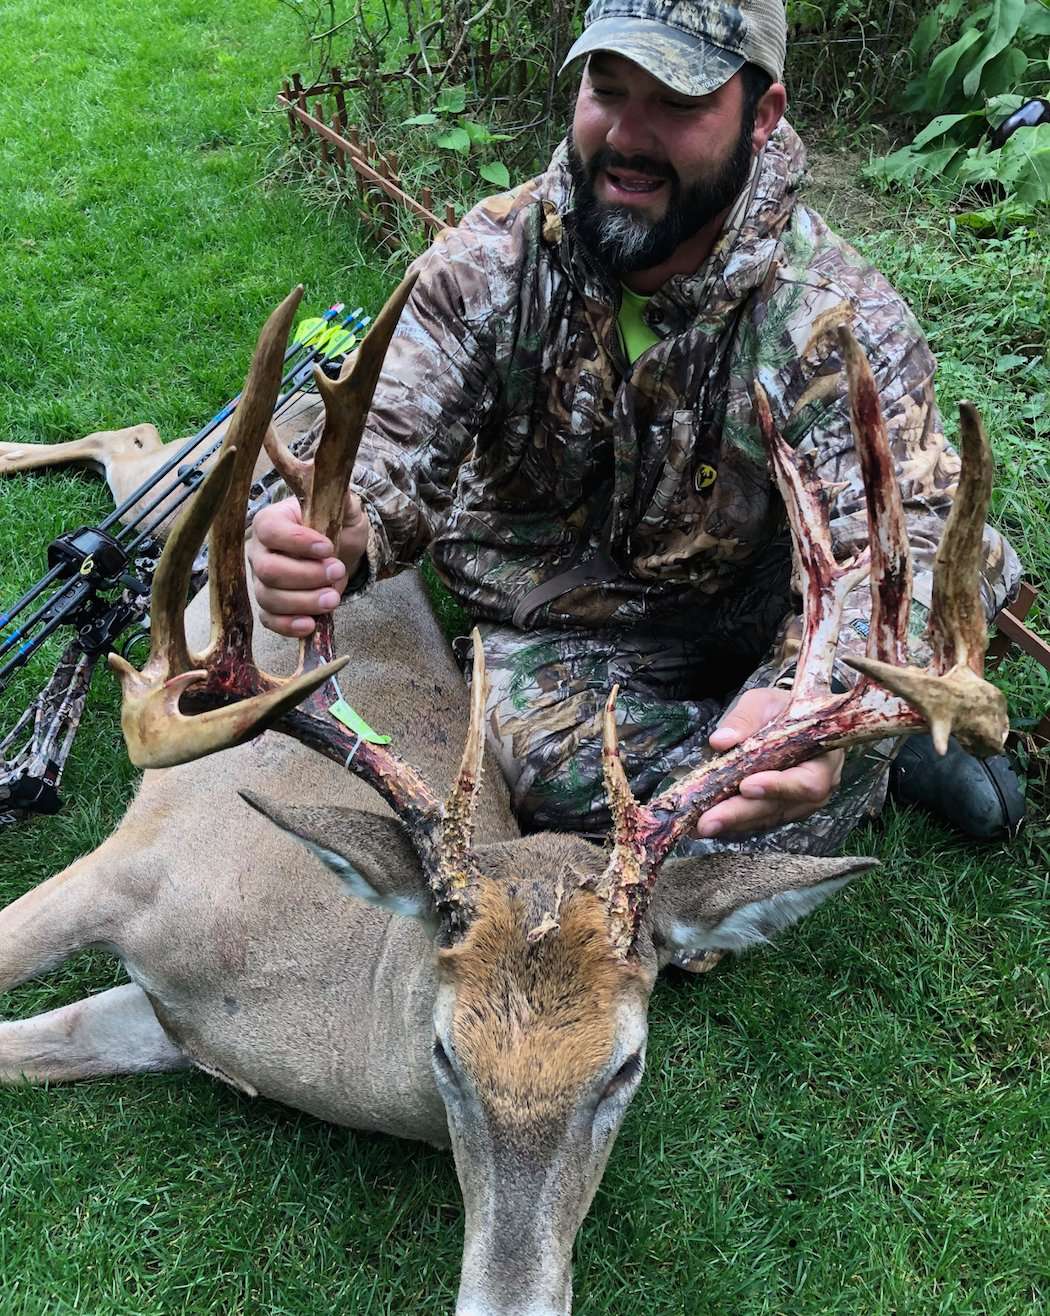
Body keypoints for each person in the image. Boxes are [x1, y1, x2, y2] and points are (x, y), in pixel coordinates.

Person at [248, 0, 1023, 856]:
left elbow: (896, 535)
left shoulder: (832, 319)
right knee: (541, 757)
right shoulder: (491, 261)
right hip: (572, 617)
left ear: (762, 117)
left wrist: (815, 693)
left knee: (927, 585)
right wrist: (341, 525)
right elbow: (391, 431)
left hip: (760, 604)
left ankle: (832, 744)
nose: (627, 135)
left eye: (679, 106)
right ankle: (854, 762)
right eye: (606, 89)